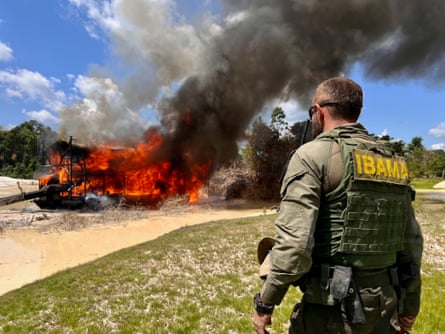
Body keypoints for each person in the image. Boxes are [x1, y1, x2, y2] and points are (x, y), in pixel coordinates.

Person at [252, 77, 423, 334]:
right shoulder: (394, 162)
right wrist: (410, 303)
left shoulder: (311, 156)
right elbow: (411, 244)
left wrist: (265, 303)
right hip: (384, 308)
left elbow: (294, 247)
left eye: (312, 113)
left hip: (332, 312)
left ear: (318, 112)